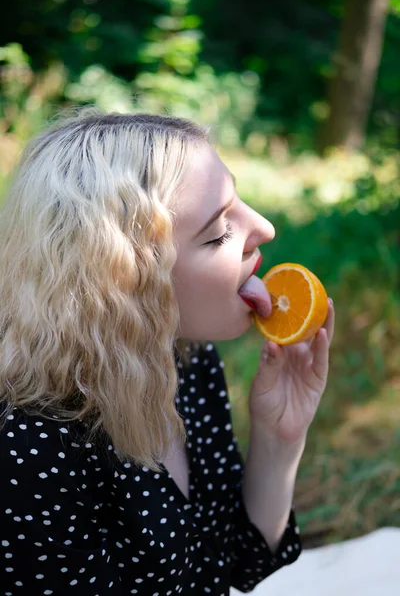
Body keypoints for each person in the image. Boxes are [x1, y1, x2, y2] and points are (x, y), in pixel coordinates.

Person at [0, 111, 335, 595]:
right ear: (129, 284)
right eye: (219, 232)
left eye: (238, 201)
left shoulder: (183, 362)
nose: (264, 227)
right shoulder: (27, 453)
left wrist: (280, 436)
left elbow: (235, 565)